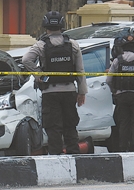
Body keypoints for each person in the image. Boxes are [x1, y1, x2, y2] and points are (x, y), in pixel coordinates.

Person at [22, 11, 87, 154]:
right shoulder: (73, 44)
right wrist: (82, 92)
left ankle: (56, 158)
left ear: (46, 26)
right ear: (61, 25)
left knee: (53, 128)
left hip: (50, 92)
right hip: (69, 91)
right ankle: (74, 156)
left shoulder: (41, 45)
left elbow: (26, 60)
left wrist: (40, 74)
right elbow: (80, 70)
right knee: (70, 126)